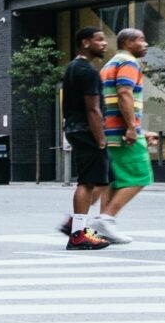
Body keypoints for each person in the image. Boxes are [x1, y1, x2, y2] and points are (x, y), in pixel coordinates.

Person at [95, 27, 154, 244]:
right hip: (123, 132)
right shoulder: (128, 62)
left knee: (116, 180)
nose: (146, 44)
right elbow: (124, 93)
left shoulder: (108, 65)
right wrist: (132, 127)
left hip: (109, 131)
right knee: (141, 175)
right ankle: (106, 219)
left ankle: (104, 225)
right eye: (142, 40)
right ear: (128, 43)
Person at [60, 25, 115, 250]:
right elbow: (93, 109)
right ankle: (77, 234)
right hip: (86, 130)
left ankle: (77, 226)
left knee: (103, 177)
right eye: (99, 40)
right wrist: (101, 138)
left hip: (74, 127)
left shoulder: (73, 67)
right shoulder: (88, 71)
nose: (104, 44)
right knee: (88, 181)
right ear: (85, 43)